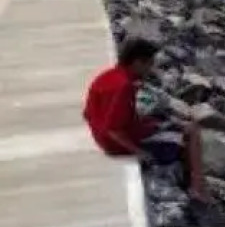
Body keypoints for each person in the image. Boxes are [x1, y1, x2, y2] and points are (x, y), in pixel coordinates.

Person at [83, 36, 208, 201]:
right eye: (149, 64)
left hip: (117, 134)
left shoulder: (107, 76)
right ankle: (198, 187)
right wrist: (139, 152)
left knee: (171, 122)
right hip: (119, 144)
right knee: (191, 132)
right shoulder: (124, 86)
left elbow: (87, 114)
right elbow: (113, 129)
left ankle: (191, 182)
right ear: (137, 63)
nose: (151, 69)